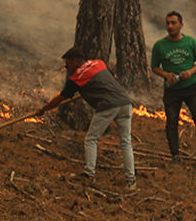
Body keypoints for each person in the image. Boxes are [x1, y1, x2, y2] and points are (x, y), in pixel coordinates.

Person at [37, 47, 136, 190]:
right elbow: (109, 78)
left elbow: (60, 98)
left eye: (68, 62)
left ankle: (89, 174)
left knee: (91, 139)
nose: (66, 66)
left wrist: (43, 109)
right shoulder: (99, 63)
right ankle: (131, 181)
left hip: (107, 106)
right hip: (125, 103)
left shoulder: (76, 77)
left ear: (77, 60)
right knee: (126, 143)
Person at [150, 11, 196, 165]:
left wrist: (190, 72)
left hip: (192, 87)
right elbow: (154, 67)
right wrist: (166, 74)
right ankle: (175, 155)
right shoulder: (159, 45)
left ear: (181, 25)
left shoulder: (190, 42)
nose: (170, 26)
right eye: (168, 23)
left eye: (173, 23)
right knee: (171, 122)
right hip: (172, 90)